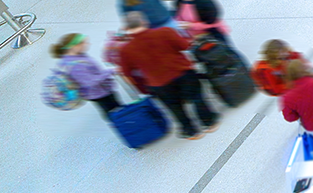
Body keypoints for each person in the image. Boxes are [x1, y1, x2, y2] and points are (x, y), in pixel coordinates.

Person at [119, 11, 221, 139]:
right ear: (144, 22)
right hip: (183, 73)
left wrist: (142, 88)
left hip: (158, 83)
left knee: (175, 107)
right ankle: (209, 122)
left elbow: (127, 73)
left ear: (126, 28)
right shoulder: (164, 32)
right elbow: (185, 45)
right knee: (196, 97)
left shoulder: (125, 50)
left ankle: (190, 131)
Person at [51, 33, 122, 117]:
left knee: (116, 112)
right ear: (74, 46)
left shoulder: (73, 57)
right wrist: (110, 71)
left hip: (98, 92)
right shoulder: (76, 65)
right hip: (99, 93)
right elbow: (90, 82)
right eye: (84, 43)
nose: (87, 44)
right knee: (117, 114)